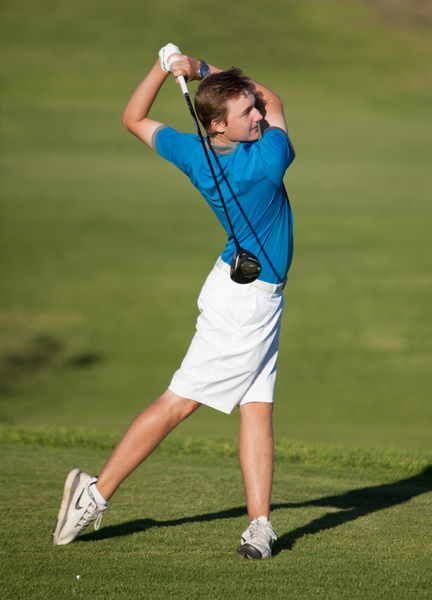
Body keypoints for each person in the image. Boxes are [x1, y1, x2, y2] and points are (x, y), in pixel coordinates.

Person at [51, 46, 295, 558]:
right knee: (180, 400)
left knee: (257, 408)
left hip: (240, 290)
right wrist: (201, 68)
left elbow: (132, 117)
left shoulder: (195, 153)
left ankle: (258, 524)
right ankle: (93, 495)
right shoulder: (268, 160)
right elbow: (275, 99)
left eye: (252, 107)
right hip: (245, 305)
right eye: (245, 111)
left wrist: (163, 70)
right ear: (220, 126)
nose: (256, 114)